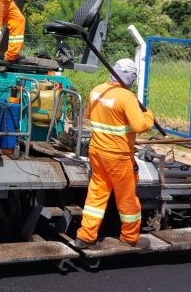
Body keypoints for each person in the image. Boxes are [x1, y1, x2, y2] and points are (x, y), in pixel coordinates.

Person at [75, 58, 154, 250]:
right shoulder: (127, 97)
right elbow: (139, 126)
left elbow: (91, 116)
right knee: (127, 199)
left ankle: (85, 237)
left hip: (97, 152)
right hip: (118, 156)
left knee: (96, 194)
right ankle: (130, 237)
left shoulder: (96, 91)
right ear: (130, 76)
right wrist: (149, 116)